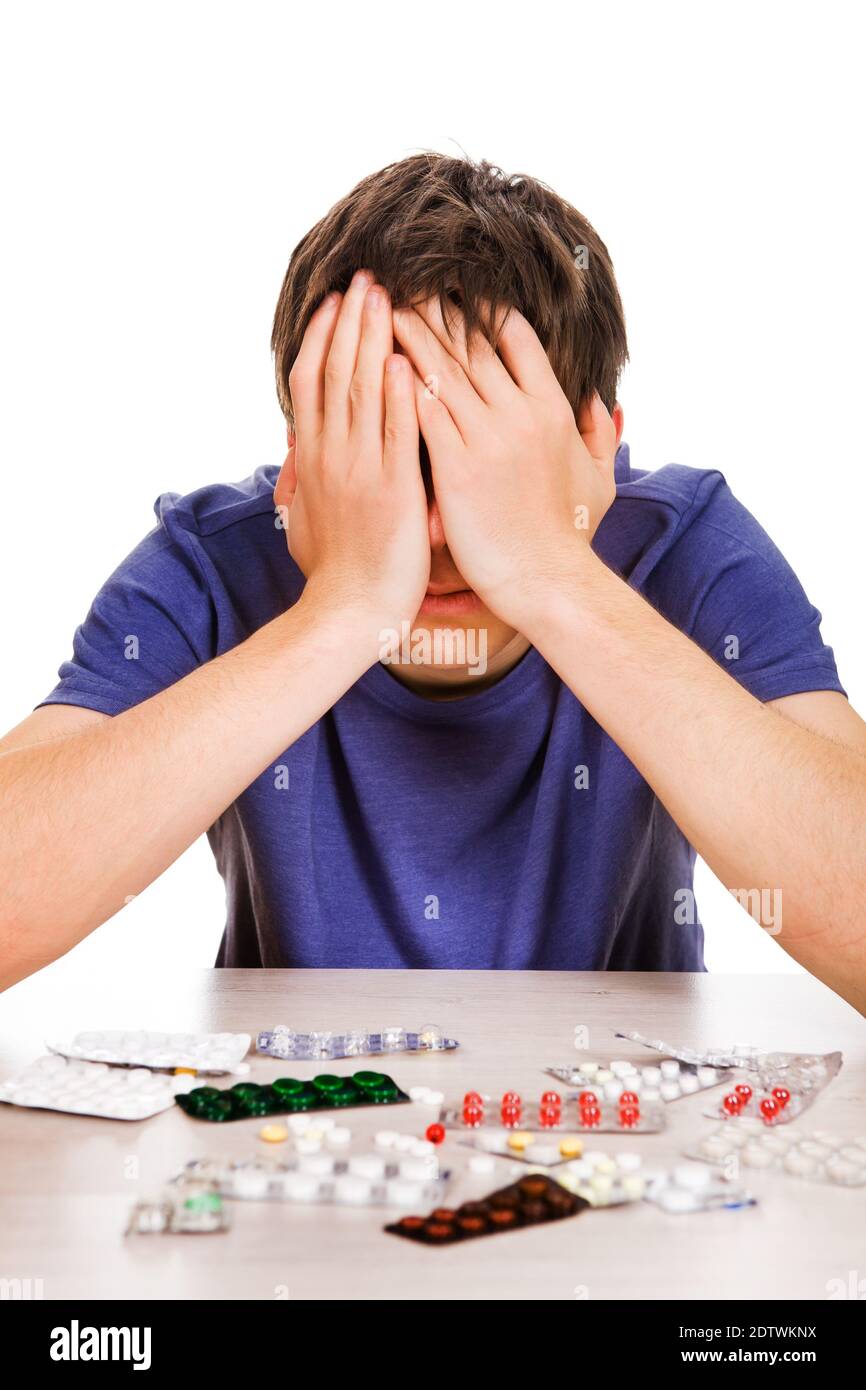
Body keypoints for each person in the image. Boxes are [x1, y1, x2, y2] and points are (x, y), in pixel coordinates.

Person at [2, 154, 865, 1011]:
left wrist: (553, 573)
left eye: (485, 461)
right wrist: (343, 608)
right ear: (302, 460)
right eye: (389, 458)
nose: (444, 539)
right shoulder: (215, 557)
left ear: (598, 444)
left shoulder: (682, 546)